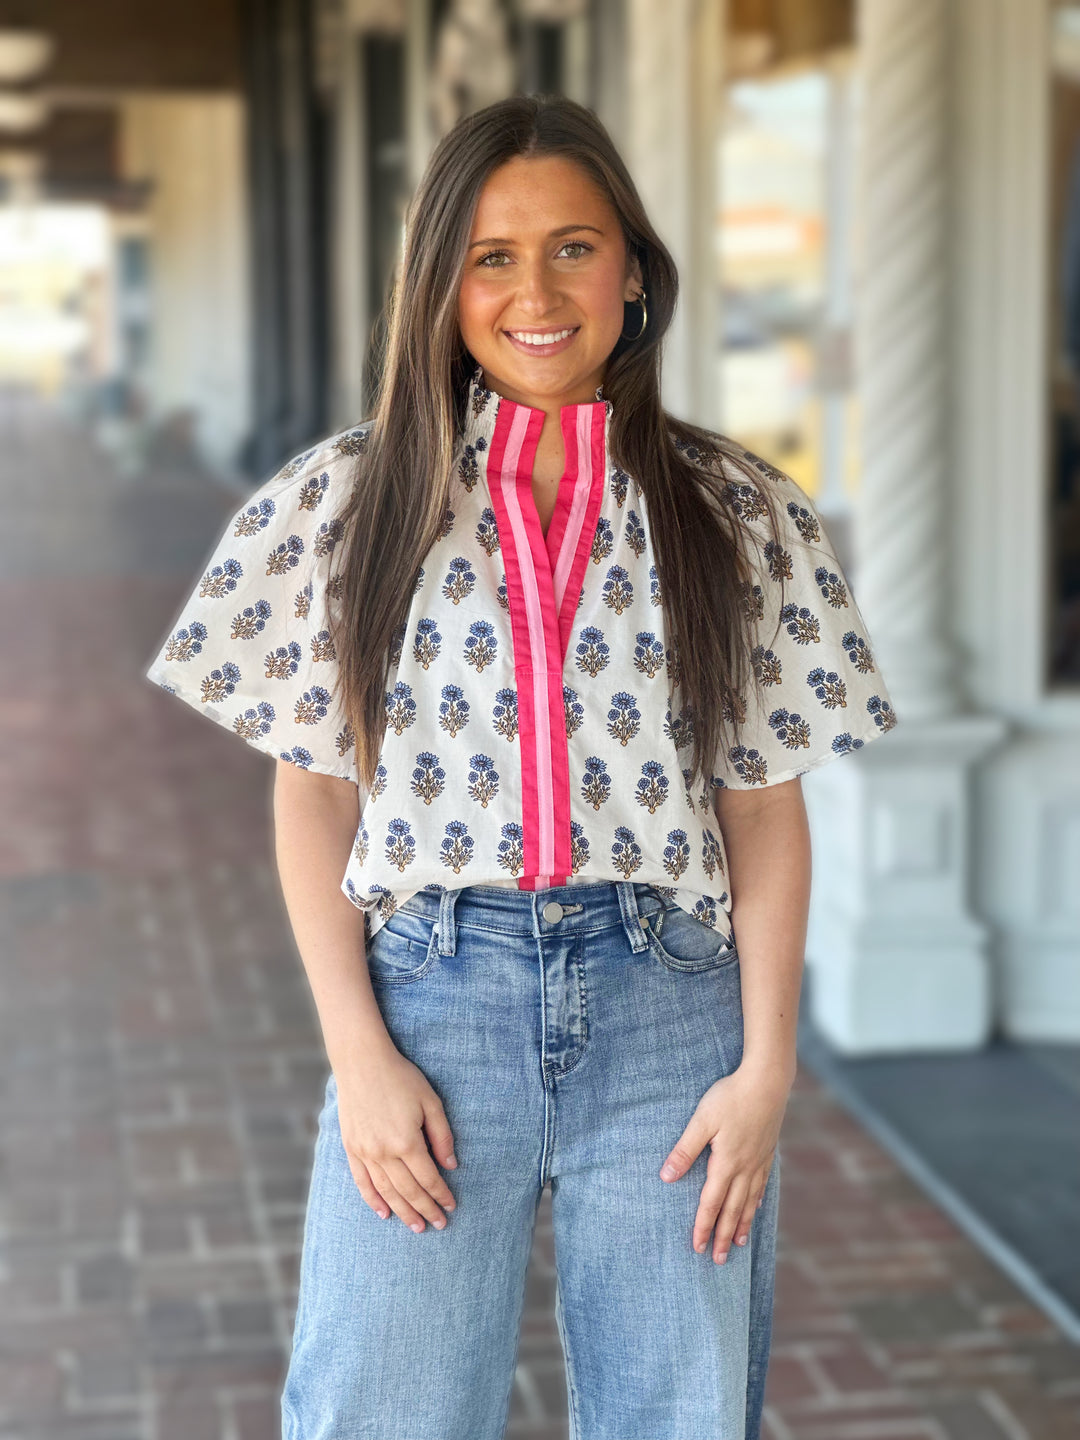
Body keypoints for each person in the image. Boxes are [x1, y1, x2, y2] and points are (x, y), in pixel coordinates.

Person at [144, 93, 897, 1440]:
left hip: (674, 1013)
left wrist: (768, 1064)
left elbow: (762, 800)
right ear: (438, 282)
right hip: (434, 1004)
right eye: (492, 255)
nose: (536, 291)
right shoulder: (345, 503)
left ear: (635, 273)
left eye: (574, 246)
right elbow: (314, 790)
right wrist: (359, 1056)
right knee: (383, 1410)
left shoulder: (738, 513)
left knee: (680, 1413)